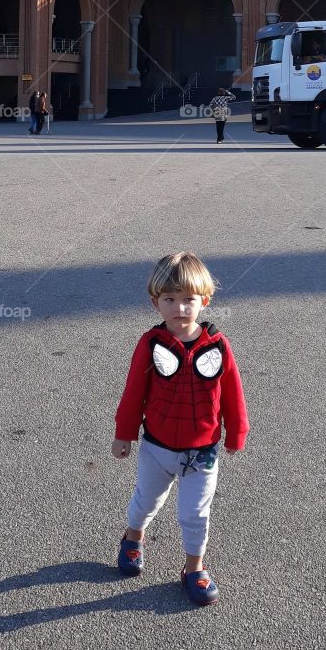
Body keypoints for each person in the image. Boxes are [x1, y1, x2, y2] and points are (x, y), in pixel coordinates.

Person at [112, 251, 248, 607]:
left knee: (195, 514)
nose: (180, 308)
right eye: (170, 299)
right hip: (156, 447)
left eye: (189, 299)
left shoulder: (217, 346)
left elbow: (233, 392)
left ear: (204, 301)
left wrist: (236, 433)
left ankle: (194, 568)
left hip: (202, 450)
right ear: (156, 302)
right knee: (145, 503)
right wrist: (124, 433)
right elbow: (133, 392)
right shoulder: (150, 343)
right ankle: (133, 537)